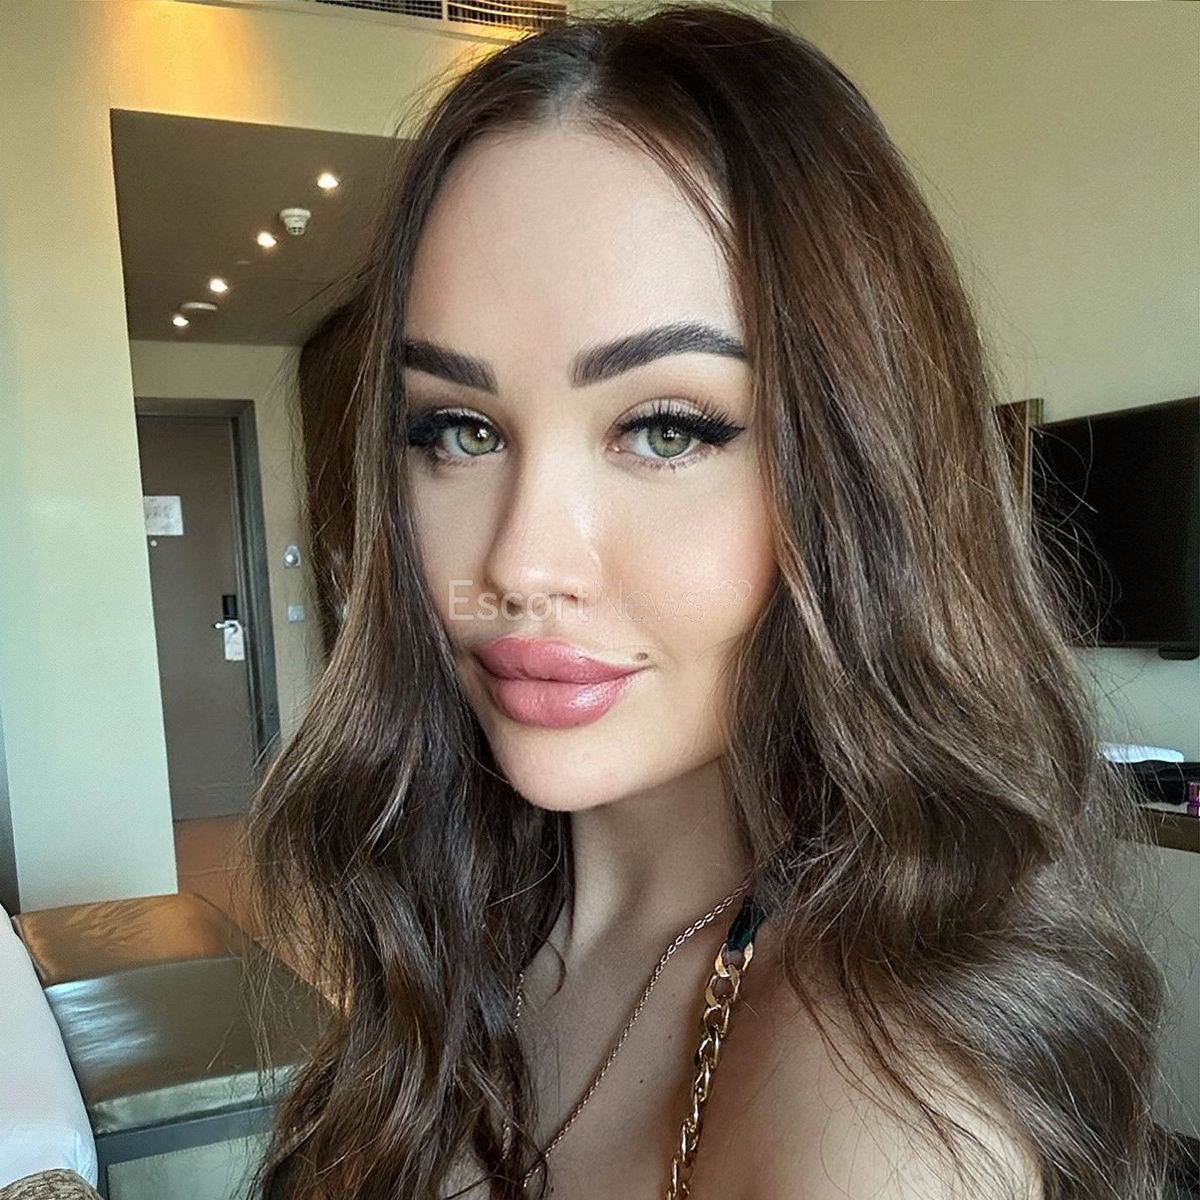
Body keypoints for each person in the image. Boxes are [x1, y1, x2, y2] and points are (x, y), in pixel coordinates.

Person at [248, 4, 1168, 1198]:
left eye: (666, 430)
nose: (522, 563)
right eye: (460, 430)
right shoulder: (459, 902)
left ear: (855, 477)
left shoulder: (882, 1108)